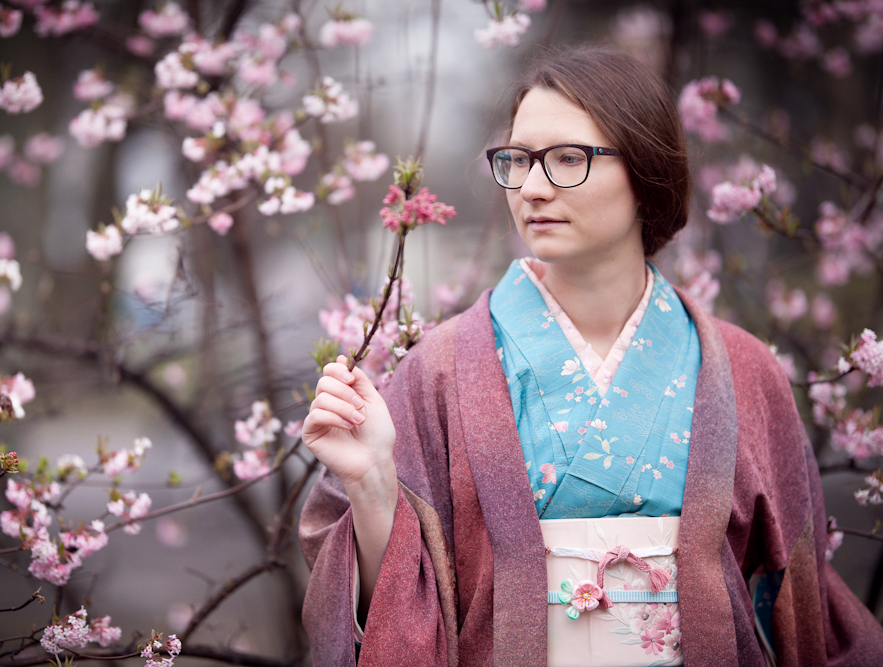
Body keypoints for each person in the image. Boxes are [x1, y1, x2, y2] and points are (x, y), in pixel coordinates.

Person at [298, 46, 883, 667]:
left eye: (568, 158)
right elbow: (399, 597)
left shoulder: (743, 370)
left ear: (645, 169)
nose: (532, 186)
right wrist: (371, 486)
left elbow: (794, 602)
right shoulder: (439, 371)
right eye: (517, 160)